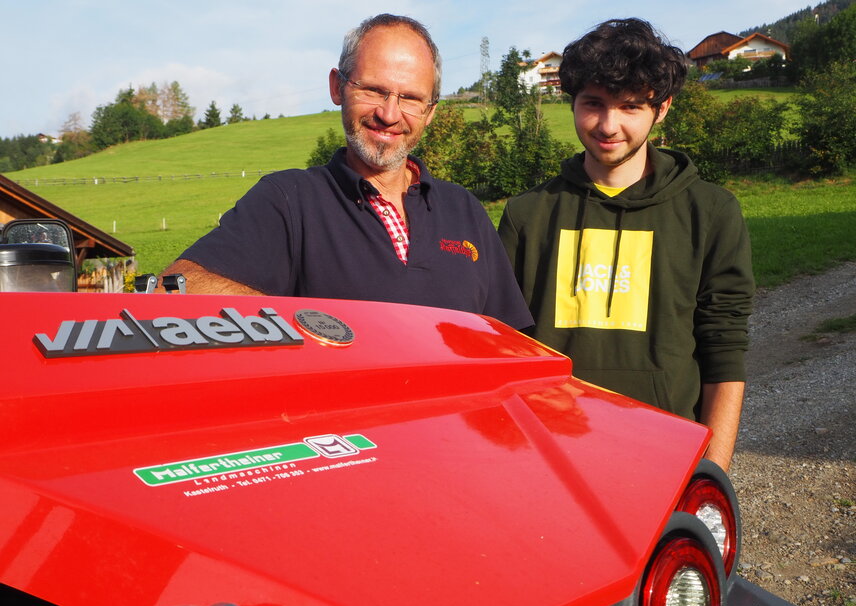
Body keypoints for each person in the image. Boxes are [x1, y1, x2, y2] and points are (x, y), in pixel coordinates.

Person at [162, 14, 533, 331]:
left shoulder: (464, 210)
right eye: (373, 90)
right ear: (337, 87)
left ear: (430, 111)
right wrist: (313, 326)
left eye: (410, 98)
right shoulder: (289, 200)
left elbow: (507, 340)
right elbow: (174, 286)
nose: (389, 114)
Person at [498, 18, 754, 471]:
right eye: (593, 103)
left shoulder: (711, 212)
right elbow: (504, 351)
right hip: (547, 455)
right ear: (571, 101)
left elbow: (724, 351)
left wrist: (712, 474)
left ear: (663, 108)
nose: (608, 125)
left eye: (631, 106)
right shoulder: (527, 215)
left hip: (667, 456)